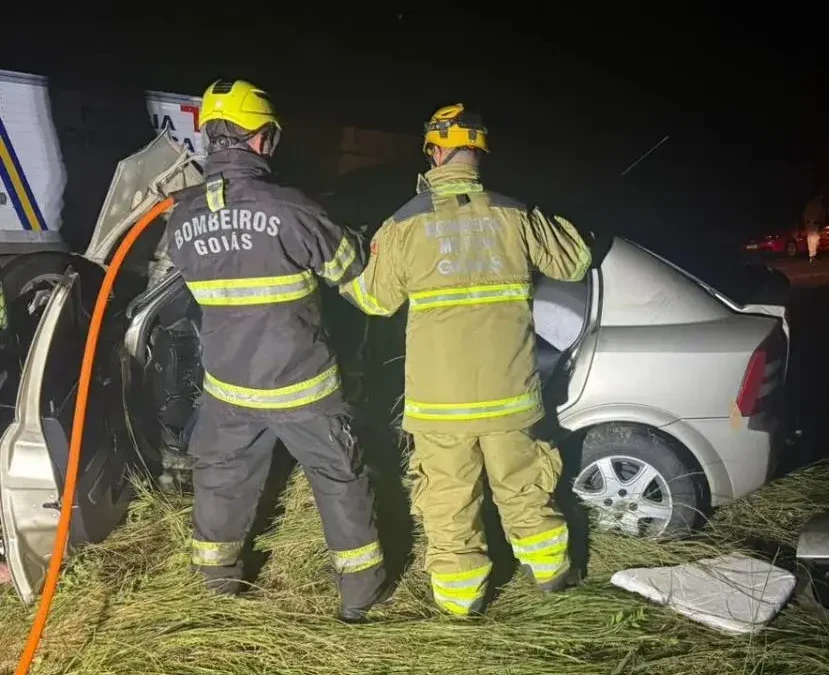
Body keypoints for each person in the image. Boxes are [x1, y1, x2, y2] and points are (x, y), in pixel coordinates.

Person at [341, 103, 591, 616]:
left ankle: (460, 606)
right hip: (510, 392)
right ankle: (553, 577)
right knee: (525, 488)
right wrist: (541, 210)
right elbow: (576, 260)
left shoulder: (404, 224)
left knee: (448, 502)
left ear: (433, 152)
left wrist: (355, 263)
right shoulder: (515, 213)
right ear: (480, 152)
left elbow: (374, 301)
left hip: (440, 403)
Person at [164, 79, 389, 622]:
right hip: (301, 382)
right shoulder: (291, 208)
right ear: (261, 139)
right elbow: (364, 290)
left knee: (220, 479)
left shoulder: (182, 216)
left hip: (228, 385)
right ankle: (359, 596)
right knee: (339, 478)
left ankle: (216, 587)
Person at [802, 193, 826, 263]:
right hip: (815, 225)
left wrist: (806, 224)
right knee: (814, 240)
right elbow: (822, 215)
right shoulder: (819, 205)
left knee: (811, 241)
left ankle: (811, 256)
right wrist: (822, 223)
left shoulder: (809, 205)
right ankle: (813, 256)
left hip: (809, 225)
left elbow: (804, 215)